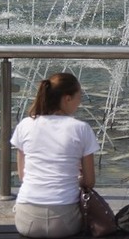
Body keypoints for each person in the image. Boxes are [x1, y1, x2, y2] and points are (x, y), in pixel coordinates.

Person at [10, 73, 99, 238]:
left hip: (26, 219)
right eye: (79, 97)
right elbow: (89, 182)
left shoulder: (25, 125)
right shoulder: (81, 128)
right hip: (65, 222)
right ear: (67, 99)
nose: (80, 102)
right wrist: (75, 178)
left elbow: (23, 176)